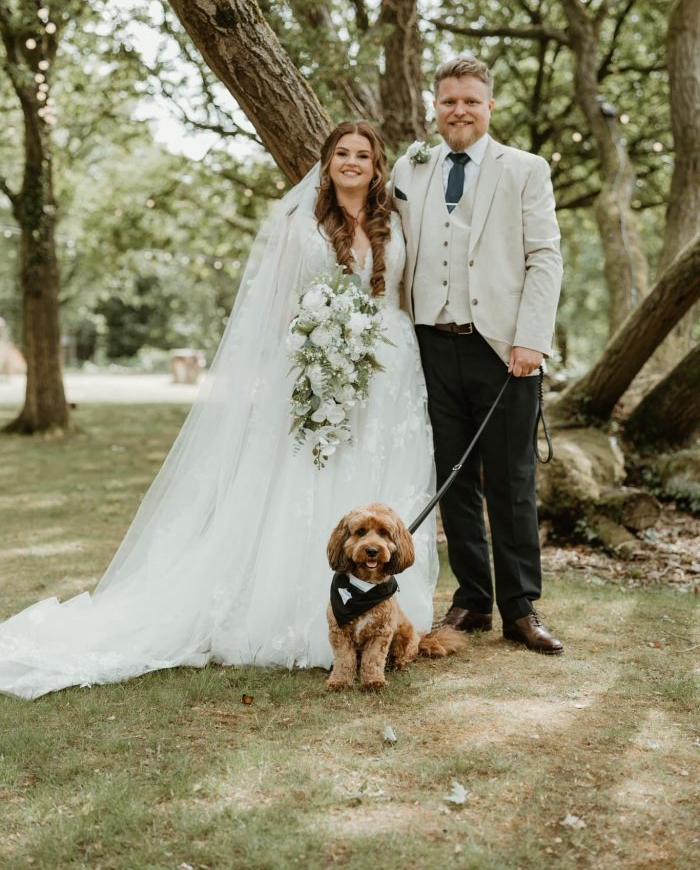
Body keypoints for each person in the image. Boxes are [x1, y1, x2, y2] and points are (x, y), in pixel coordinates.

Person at [0, 121, 438, 699]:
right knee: (310, 479)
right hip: (317, 368)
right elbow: (279, 306)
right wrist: (311, 360)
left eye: (363, 155)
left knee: (379, 480)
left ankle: (383, 617)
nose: (352, 163)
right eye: (341, 153)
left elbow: (406, 295)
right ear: (327, 161)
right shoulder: (298, 222)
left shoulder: (395, 221)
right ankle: (302, 617)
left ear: (377, 166)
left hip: (389, 378)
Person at [391, 55, 564, 654]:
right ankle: (472, 600)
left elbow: (544, 255)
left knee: (512, 480)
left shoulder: (525, 169)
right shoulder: (410, 169)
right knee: (452, 477)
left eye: (470, 100)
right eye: (448, 101)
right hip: (430, 346)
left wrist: (531, 339)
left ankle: (520, 607)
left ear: (490, 105)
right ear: (434, 107)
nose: (458, 110)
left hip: (503, 348)